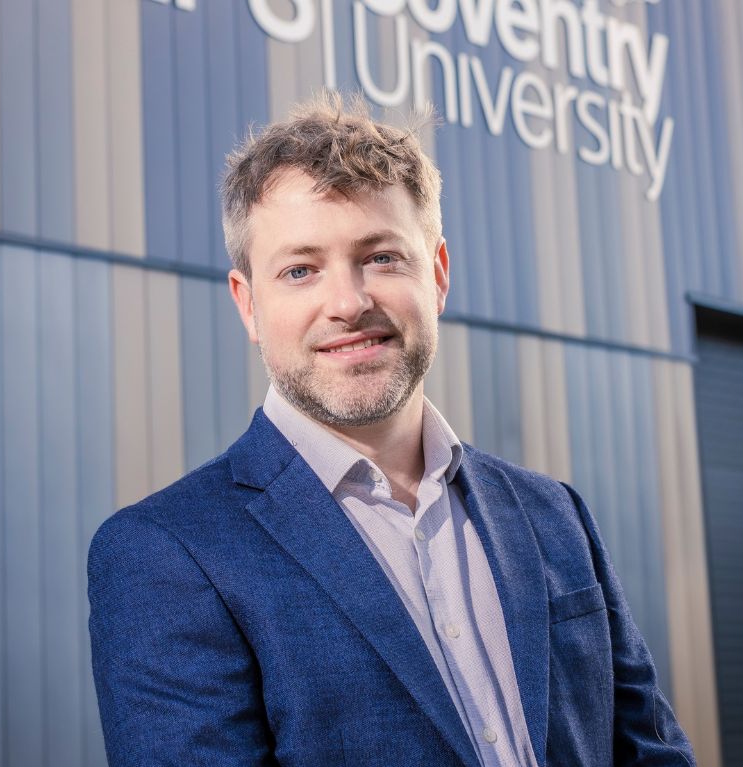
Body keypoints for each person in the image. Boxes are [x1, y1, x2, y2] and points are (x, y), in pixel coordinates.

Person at [88, 93, 695, 766]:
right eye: (300, 269)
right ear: (248, 304)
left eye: (380, 256)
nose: (348, 303)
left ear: (435, 274)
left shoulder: (555, 514)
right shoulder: (167, 554)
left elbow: (650, 751)